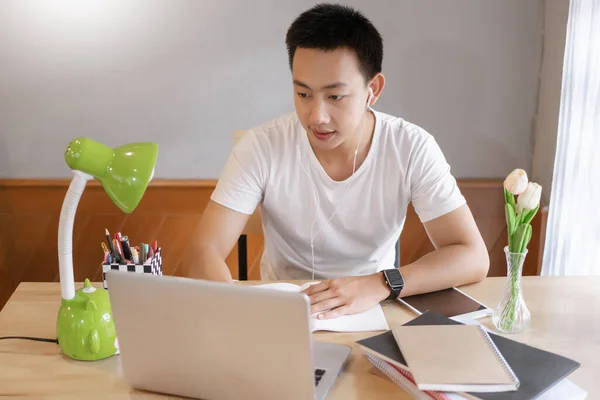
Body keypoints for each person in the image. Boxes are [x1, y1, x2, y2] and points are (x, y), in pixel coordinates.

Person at [193, 3, 489, 320]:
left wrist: (380, 283)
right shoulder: (262, 145)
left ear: (372, 89)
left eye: (335, 96)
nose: (316, 117)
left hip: (376, 304)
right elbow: (203, 251)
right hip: (286, 311)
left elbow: (472, 257)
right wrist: (238, 314)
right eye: (303, 94)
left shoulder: (410, 146)